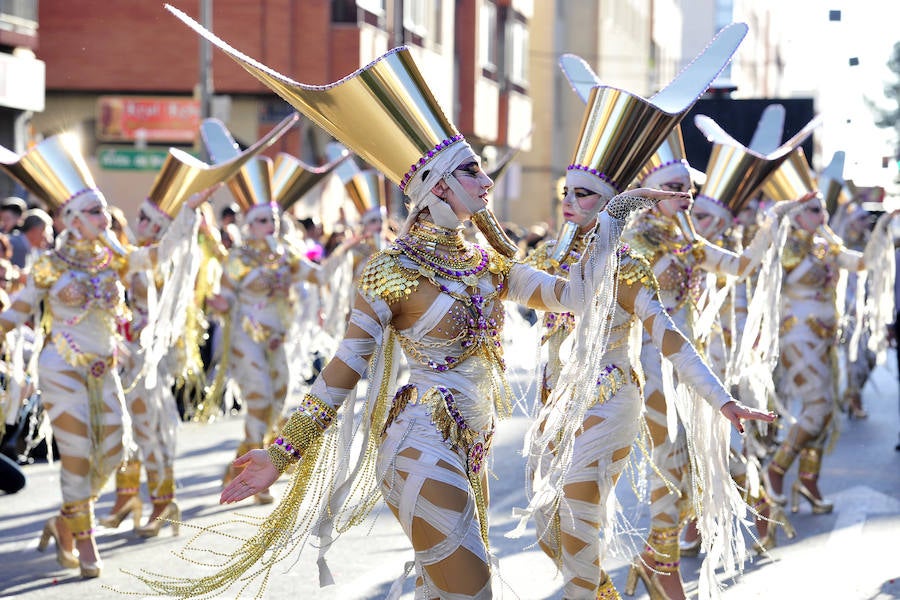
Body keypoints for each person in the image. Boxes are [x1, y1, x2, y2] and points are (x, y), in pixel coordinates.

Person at [130, 20, 667, 597]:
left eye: (480, 167)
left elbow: (580, 296)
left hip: (471, 444)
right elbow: (342, 371)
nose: (485, 181)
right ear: (435, 188)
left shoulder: (487, 264)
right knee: (471, 590)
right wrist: (281, 455)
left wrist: (613, 217)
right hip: (418, 441)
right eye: (470, 170)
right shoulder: (391, 272)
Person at [0, 133, 212, 578]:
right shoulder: (48, 266)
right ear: (73, 219)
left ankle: (65, 518)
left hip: (106, 369)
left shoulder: (114, 259)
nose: (105, 217)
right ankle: (83, 534)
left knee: (115, 451)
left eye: (103, 210)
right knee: (78, 454)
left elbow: (158, 255)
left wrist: (189, 211)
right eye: (95, 211)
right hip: (61, 368)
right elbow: (15, 313)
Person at [763, 164, 895, 516]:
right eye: (813, 209)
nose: (822, 214)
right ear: (795, 213)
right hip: (797, 338)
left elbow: (862, 263)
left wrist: (882, 230)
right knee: (818, 407)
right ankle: (776, 469)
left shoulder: (826, 244)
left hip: (823, 341)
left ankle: (808, 480)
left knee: (820, 412)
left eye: (822, 208)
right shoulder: (784, 245)